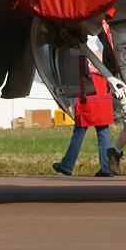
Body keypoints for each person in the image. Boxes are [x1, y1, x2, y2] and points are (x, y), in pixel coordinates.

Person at [52, 36, 114, 177]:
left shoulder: (82, 57)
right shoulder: (102, 56)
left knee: (79, 132)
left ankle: (67, 165)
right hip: (102, 97)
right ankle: (106, 168)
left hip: (88, 98)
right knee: (103, 132)